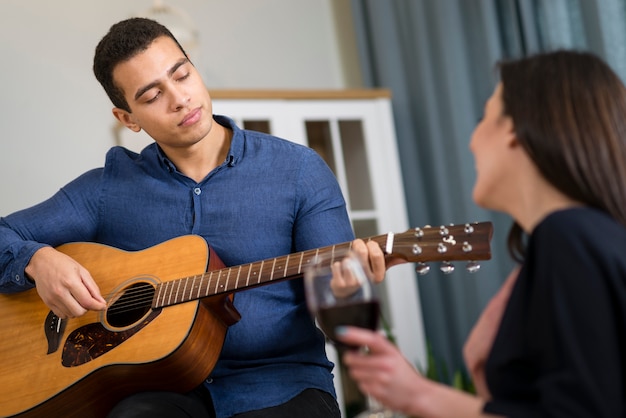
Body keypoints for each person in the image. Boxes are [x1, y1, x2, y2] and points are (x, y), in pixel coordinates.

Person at [0, 17, 386, 418]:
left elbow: (351, 332)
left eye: (182, 75)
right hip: (159, 387)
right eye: (152, 97)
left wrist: (346, 297)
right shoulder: (106, 189)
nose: (180, 99)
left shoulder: (300, 171)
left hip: (279, 386)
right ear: (128, 119)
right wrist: (36, 260)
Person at [336, 50, 626, 417]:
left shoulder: (568, 236)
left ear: (516, 133)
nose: (472, 141)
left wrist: (421, 396)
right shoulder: (586, 236)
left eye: (483, 118)